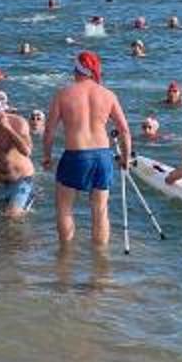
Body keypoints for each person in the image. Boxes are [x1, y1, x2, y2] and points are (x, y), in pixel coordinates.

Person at [42, 51, 131, 247]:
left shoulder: (63, 94)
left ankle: (65, 255)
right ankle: (100, 264)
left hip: (76, 155)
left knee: (64, 209)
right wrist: (125, 158)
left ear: (76, 70)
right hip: (102, 155)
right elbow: (124, 130)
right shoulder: (108, 95)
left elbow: (49, 130)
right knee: (100, 211)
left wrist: (47, 156)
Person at [0, 94, 35, 218]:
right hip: (2, 182)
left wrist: (8, 129)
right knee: (0, 221)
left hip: (22, 180)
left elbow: (27, 151)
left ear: (2, 112)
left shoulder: (18, 123)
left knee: (13, 217)